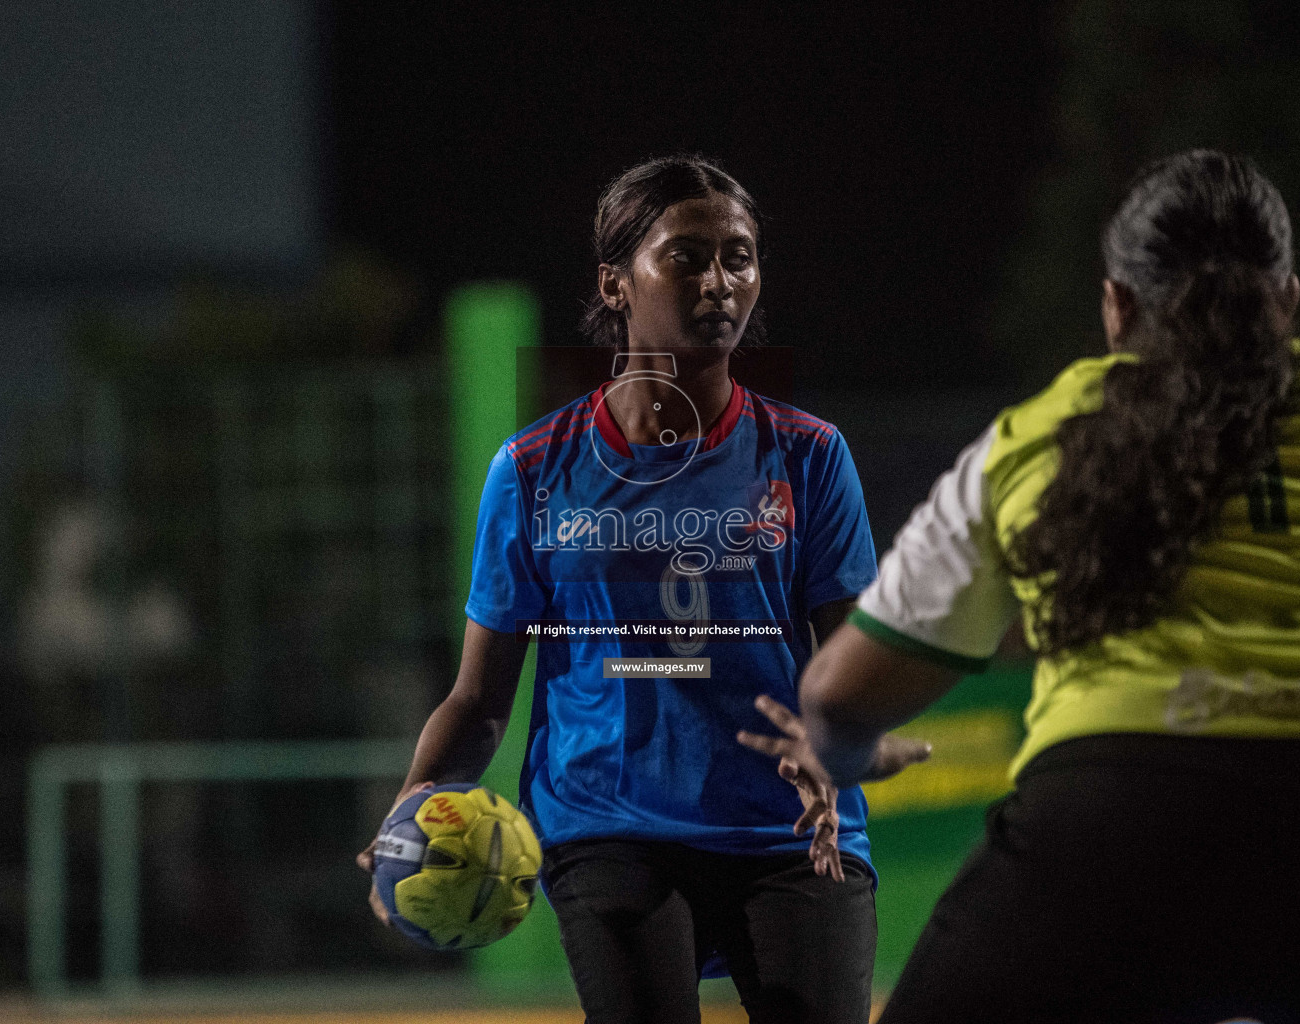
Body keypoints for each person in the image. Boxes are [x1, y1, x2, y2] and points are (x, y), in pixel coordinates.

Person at [740, 150, 1300, 1023]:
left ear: (1116, 307)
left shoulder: (1040, 433)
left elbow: (836, 692)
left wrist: (839, 758)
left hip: (1117, 821)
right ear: (1287, 299)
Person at [360, 155, 925, 1024]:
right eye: (687, 257)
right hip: (610, 827)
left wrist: (844, 746)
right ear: (615, 284)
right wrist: (413, 803)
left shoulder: (809, 456)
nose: (720, 281)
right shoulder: (536, 471)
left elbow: (857, 660)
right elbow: (480, 700)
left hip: (790, 827)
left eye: (739, 256)